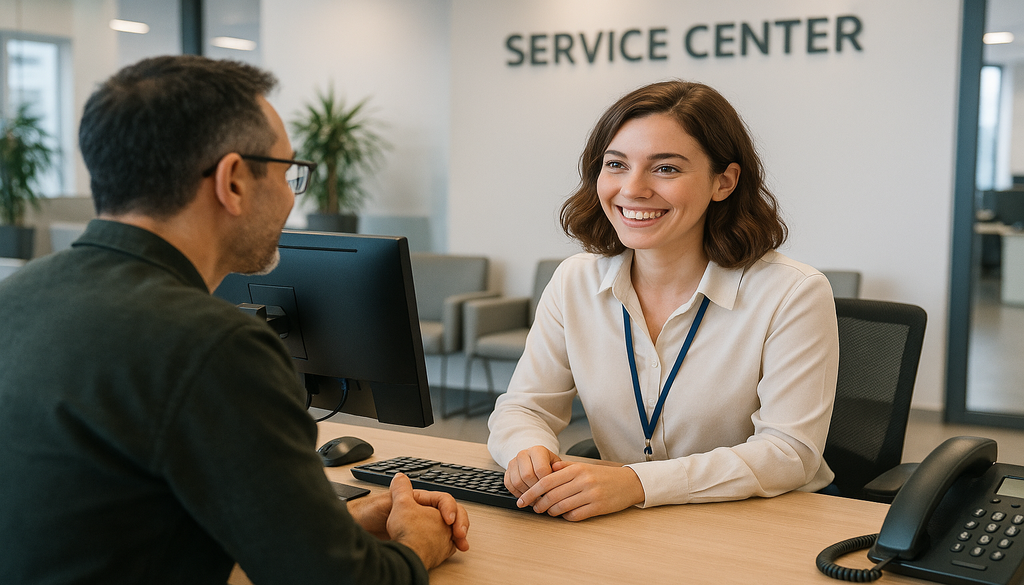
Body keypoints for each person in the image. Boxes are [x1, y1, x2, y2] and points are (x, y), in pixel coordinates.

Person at [0, 55, 468, 584]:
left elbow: (110, 516)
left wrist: (323, 527)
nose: (293, 198)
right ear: (234, 181)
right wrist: (419, 545)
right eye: (290, 173)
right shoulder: (212, 345)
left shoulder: (15, 297)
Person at [487, 80, 839, 522]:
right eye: (616, 164)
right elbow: (525, 406)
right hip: (625, 517)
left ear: (724, 182)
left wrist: (637, 483)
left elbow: (790, 453)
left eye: (666, 169)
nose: (632, 189)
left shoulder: (792, 292)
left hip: (761, 519)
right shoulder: (574, 281)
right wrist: (528, 451)